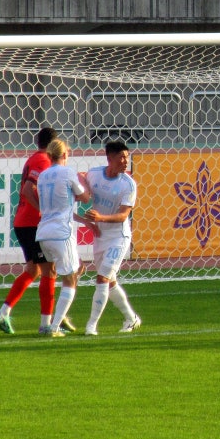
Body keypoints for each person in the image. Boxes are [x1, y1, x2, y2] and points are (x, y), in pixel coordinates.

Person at [0, 127, 70, 335]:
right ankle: (47, 324)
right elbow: (28, 188)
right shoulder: (43, 161)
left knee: (33, 270)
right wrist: (44, 211)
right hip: (33, 224)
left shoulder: (33, 159)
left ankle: (4, 311)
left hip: (24, 221)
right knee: (49, 271)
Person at [82, 140, 142, 335]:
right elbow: (81, 179)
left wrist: (101, 217)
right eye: (121, 157)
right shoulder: (95, 174)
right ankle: (131, 318)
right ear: (109, 158)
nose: (126, 161)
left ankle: (92, 325)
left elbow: (123, 215)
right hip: (100, 236)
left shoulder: (128, 184)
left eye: (127, 157)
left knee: (102, 277)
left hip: (119, 236)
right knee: (110, 281)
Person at [35, 138, 93, 337]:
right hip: (62, 232)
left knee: (74, 269)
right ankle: (54, 326)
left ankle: (51, 321)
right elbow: (85, 198)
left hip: (43, 233)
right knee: (69, 278)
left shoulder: (42, 176)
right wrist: (84, 182)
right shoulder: (68, 172)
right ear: (65, 154)